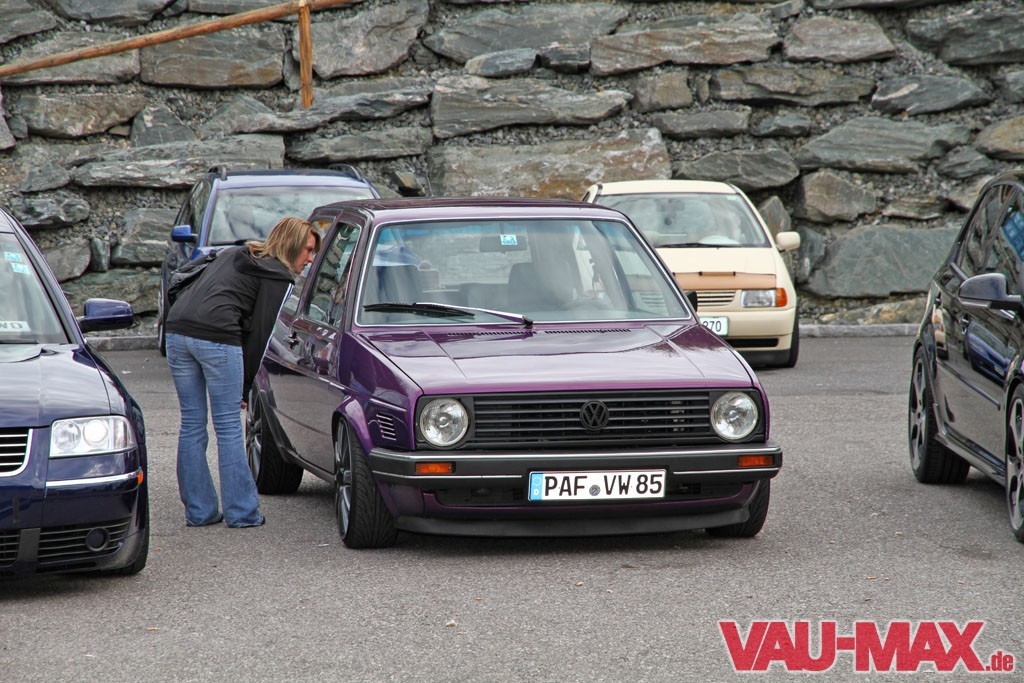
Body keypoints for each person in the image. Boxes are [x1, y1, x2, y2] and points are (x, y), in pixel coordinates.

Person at [164, 216, 320, 528]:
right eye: (308, 250)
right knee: (228, 428)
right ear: (291, 245)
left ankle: (200, 512)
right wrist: (246, 387)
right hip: (218, 337)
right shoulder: (278, 276)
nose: (311, 259)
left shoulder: (236, 253)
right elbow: (261, 333)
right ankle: (242, 513)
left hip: (177, 331)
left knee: (192, 424)